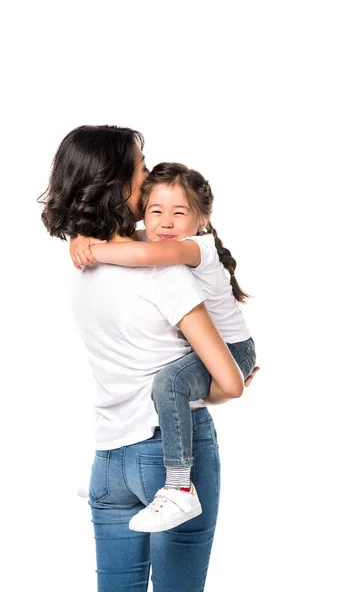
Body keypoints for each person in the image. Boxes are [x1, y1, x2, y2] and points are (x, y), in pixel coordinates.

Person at [39, 125, 255, 592]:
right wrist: (230, 380)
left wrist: (83, 237)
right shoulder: (166, 271)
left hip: (108, 459)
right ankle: (179, 490)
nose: (148, 174)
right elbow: (231, 383)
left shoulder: (83, 266)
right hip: (169, 457)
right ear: (119, 185)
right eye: (140, 169)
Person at [69, 162, 257, 533]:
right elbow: (133, 238)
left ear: (202, 219)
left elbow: (140, 255)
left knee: (167, 382)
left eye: (179, 213)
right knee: (161, 377)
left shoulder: (195, 248)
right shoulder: (160, 237)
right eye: (155, 211)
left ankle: (178, 487)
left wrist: (91, 250)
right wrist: (79, 237)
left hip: (233, 349)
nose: (165, 223)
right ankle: (114, 470)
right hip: (207, 353)